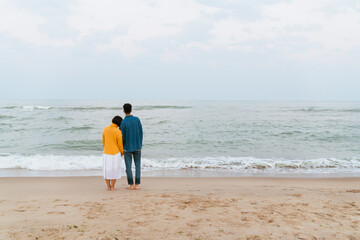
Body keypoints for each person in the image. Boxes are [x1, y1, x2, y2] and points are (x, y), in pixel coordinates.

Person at [120, 103, 143, 190]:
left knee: (128, 167)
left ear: (123, 111)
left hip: (127, 148)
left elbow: (122, 136)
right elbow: (141, 132)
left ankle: (131, 184)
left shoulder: (123, 122)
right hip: (137, 146)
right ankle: (137, 184)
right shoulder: (137, 120)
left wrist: (122, 148)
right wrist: (140, 143)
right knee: (138, 165)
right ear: (131, 110)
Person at [102, 116, 124, 190]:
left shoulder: (105, 129)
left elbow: (103, 141)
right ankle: (113, 186)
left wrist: (105, 149)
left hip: (106, 153)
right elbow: (120, 144)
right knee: (115, 170)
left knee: (107, 170)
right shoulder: (118, 131)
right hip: (115, 153)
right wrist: (122, 152)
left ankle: (108, 186)